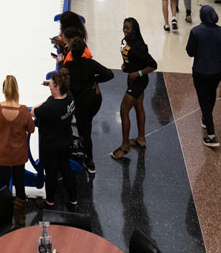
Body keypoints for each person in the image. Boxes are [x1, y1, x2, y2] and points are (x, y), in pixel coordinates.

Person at [0, 75, 35, 227]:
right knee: (20, 184)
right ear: (16, 90)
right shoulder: (23, 110)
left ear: (3, 90)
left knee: (3, 183)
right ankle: (20, 217)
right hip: (18, 155)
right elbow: (31, 129)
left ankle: (4, 214)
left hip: (2, 154)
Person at [61, 37, 113, 173]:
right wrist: (95, 79)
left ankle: (90, 161)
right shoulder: (90, 63)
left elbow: (63, 86)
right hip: (94, 100)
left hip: (80, 103)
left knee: (85, 129)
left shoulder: (67, 68)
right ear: (84, 50)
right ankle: (83, 142)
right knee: (85, 123)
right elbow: (109, 74)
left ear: (71, 51)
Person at [186, 6, 221, 148]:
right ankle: (206, 120)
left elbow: (190, 52)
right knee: (211, 96)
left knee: (204, 102)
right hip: (215, 73)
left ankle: (212, 135)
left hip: (200, 72)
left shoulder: (195, 32)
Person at [111, 17, 158, 160]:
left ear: (134, 30)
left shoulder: (139, 46)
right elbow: (127, 56)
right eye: (124, 27)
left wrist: (136, 73)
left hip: (139, 81)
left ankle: (125, 145)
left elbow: (153, 65)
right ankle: (141, 139)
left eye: (128, 28)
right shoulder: (125, 41)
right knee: (138, 107)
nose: (125, 30)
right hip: (131, 78)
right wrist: (126, 65)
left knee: (124, 110)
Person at [33, 72, 77, 209]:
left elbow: (34, 111)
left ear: (57, 88)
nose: (49, 88)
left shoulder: (51, 108)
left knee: (51, 174)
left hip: (50, 145)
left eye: (51, 85)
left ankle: (50, 202)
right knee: (66, 170)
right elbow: (47, 103)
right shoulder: (69, 97)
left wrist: (38, 107)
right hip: (65, 140)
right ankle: (74, 200)